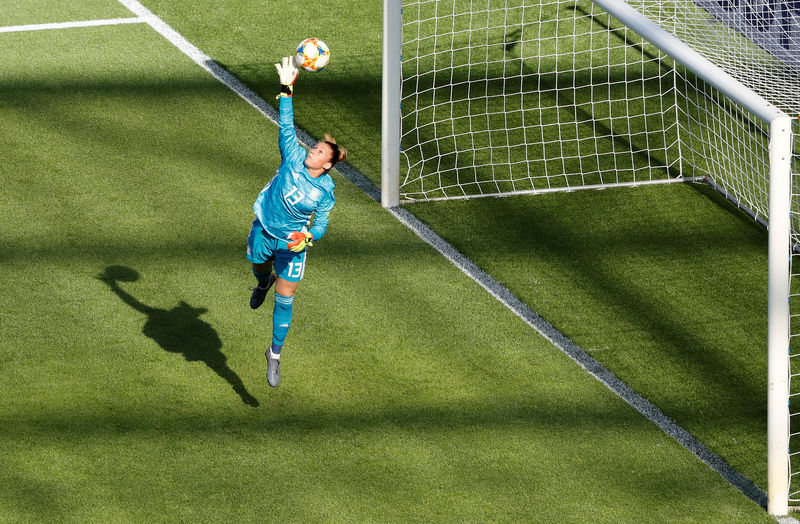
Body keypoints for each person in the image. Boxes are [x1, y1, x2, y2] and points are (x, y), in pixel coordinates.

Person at [246, 56, 347, 388]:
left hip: (292, 245)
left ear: (328, 165)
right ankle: (263, 281)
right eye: (314, 146)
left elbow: (321, 224)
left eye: (319, 152)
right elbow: (286, 126)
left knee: (286, 298)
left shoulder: (326, 191)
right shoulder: (291, 157)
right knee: (258, 267)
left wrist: (308, 239)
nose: (312, 151)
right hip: (264, 229)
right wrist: (286, 88)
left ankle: (274, 355)